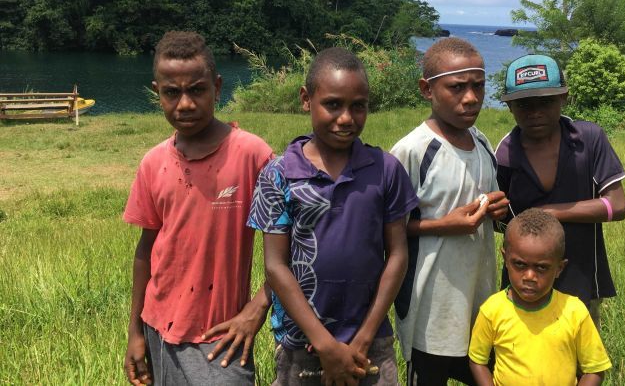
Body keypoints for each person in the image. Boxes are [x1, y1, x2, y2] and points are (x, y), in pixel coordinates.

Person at [247, 47, 418, 386]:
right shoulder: (278, 175)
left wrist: (365, 337)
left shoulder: (385, 170)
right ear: (306, 99)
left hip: (370, 341)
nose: (346, 118)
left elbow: (397, 254)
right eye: (333, 104)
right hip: (301, 341)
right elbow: (276, 266)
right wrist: (324, 344)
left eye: (359, 106)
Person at [123, 31, 274, 385]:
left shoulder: (252, 156)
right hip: (159, 328)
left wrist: (256, 308)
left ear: (217, 87)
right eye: (171, 93)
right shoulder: (153, 162)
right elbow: (146, 250)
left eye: (197, 89)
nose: (185, 104)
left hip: (222, 337)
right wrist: (135, 332)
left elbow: (291, 245)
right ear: (157, 92)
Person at [390, 37, 510, 386]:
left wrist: (496, 209)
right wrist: (443, 225)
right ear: (427, 90)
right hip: (429, 308)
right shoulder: (412, 151)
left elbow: (482, 202)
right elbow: (385, 228)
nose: (471, 97)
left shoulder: (483, 141)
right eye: (457, 87)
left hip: (479, 301)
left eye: (478, 86)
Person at [495, 54, 625, 327]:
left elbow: (617, 205)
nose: (535, 113)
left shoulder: (589, 140)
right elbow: (504, 220)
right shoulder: (505, 153)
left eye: (546, 101)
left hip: (580, 274)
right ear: (509, 107)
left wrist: (549, 212)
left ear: (564, 97)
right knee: (523, 355)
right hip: (524, 281)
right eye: (523, 105)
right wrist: (493, 212)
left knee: (582, 358)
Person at [469, 208, 612, 385]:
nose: (529, 276)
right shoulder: (492, 310)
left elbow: (595, 370)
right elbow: (478, 361)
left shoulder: (574, 311)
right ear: (506, 259)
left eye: (541, 268)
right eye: (519, 264)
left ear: (559, 268)